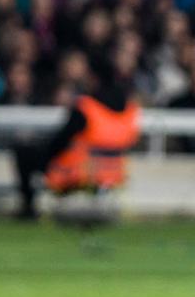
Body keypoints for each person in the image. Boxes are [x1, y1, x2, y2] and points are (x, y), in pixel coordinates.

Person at [14, 61, 140, 220]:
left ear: (94, 79)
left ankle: (28, 209)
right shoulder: (129, 109)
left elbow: (59, 142)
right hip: (114, 173)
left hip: (78, 171)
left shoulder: (87, 107)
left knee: (24, 151)